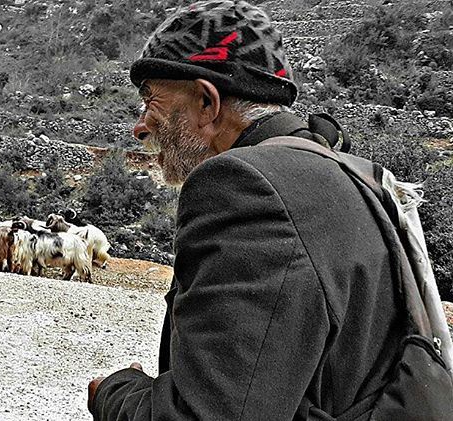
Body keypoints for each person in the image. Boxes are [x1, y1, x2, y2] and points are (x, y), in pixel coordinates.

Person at [87, 1, 405, 420]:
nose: (141, 125)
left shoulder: (245, 186)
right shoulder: (345, 174)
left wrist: (114, 393)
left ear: (206, 102)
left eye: (151, 101)